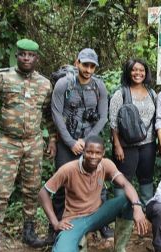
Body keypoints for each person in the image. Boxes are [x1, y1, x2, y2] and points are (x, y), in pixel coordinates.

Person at [0, 38, 57, 251]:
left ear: (36, 58)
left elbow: (49, 115)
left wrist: (52, 139)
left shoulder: (44, 84)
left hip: (34, 144)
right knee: (1, 190)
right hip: (7, 143)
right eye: (22, 54)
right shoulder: (2, 77)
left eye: (30, 55)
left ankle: (29, 232)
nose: (26, 58)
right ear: (17, 55)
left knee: (31, 190)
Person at [38, 135, 148, 252]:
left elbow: (126, 184)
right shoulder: (68, 169)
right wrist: (55, 223)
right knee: (62, 250)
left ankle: (119, 249)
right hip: (74, 220)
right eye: (89, 152)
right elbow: (43, 193)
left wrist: (137, 206)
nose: (93, 156)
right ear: (83, 151)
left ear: (103, 153)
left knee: (128, 200)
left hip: (98, 214)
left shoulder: (106, 165)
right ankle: (78, 241)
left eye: (97, 153)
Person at [50, 48, 111, 241]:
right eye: (85, 64)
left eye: (92, 66)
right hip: (67, 142)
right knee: (61, 185)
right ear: (77, 63)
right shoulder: (64, 84)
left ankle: (101, 223)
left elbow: (103, 117)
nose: (88, 69)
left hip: (89, 144)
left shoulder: (98, 86)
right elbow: (56, 114)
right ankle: (56, 225)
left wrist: (86, 142)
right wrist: (70, 142)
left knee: (98, 183)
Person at [109, 58, 156, 205]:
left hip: (148, 144)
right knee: (122, 179)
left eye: (141, 70)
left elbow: (156, 119)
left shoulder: (152, 93)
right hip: (126, 145)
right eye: (134, 70)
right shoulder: (120, 94)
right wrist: (117, 145)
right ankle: (122, 213)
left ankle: (146, 213)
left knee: (146, 179)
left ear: (146, 73)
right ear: (129, 72)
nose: (138, 73)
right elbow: (113, 122)